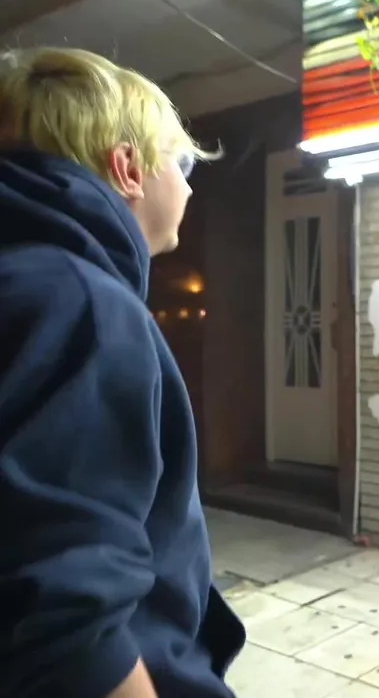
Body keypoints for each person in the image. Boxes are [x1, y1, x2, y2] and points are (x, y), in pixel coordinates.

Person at [0, 47, 244, 697]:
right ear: (129, 168)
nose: (188, 187)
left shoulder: (25, 276)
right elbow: (64, 629)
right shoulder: (80, 302)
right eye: (181, 164)